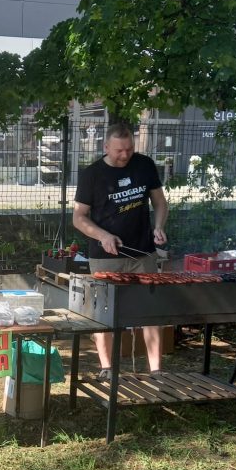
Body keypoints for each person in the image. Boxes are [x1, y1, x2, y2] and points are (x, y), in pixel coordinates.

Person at [73, 122, 169, 380]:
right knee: (104, 314)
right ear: (106, 147)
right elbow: (79, 217)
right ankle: (107, 368)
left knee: (151, 311)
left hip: (144, 252)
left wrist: (159, 227)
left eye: (129, 149)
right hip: (105, 257)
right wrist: (103, 235)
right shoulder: (92, 175)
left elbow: (160, 203)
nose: (125, 155)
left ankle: (156, 370)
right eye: (119, 150)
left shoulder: (145, 165)